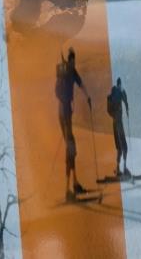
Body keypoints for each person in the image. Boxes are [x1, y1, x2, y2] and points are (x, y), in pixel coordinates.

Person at [55, 49, 90, 196]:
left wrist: (87, 97)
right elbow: (57, 92)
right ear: (69, 61)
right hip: (64, 115)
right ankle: (67, 189)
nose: (74, 63)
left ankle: (74, 184)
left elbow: (81, 84)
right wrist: (66, 102)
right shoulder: (65, 74)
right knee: (70, 150)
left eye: (74, 61)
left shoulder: (70, 71)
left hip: (64, 114)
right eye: (72, 61)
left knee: (72, 149)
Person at [107, 77, 131, 178]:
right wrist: (127, 110)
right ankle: (124, 168)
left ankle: (118, 169)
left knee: (119, 148)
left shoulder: (112, 95)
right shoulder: (120, 92)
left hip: (114, 124)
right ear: (120, 84)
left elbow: (109, 111)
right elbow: (125, 101)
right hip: (119, 124)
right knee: (124, 147)